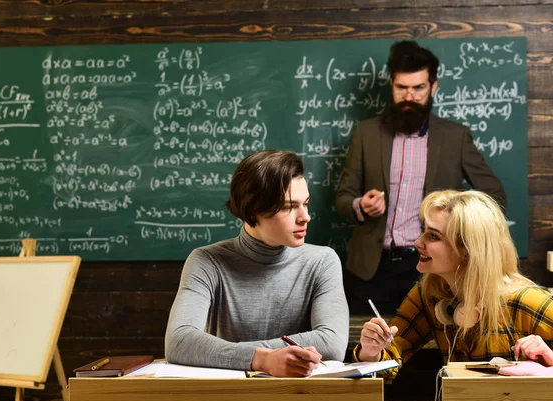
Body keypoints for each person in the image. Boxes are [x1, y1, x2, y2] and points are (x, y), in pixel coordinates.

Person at [335, 40, 507, 315]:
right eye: (402, 88)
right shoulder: (366, 133)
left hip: (434, 268)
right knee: (366, 349)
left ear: (433, 87)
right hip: (371, 269)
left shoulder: (455, 137)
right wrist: (360, 206)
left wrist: (459, 230)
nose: (410, 96)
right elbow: (343, 197)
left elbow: (494, 196)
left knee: (432, 350)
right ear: (391, 84)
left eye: (418, 88)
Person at [165, 150, 349, 377]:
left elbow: (333, 342)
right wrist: (263, 359)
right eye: (288, 207)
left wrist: (232, 353)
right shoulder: (207, 261)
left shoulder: (322, 261)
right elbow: (179, 341)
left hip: (300, 399)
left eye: (306, 203)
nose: (305, 217)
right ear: (253, 211)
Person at [355, 190, 553, 379]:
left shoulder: (529, 301)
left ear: (467, 249)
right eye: (423, 231)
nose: (417, 242)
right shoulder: (428, 294)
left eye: (433, 236)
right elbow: (387, 361)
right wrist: (371, 352)